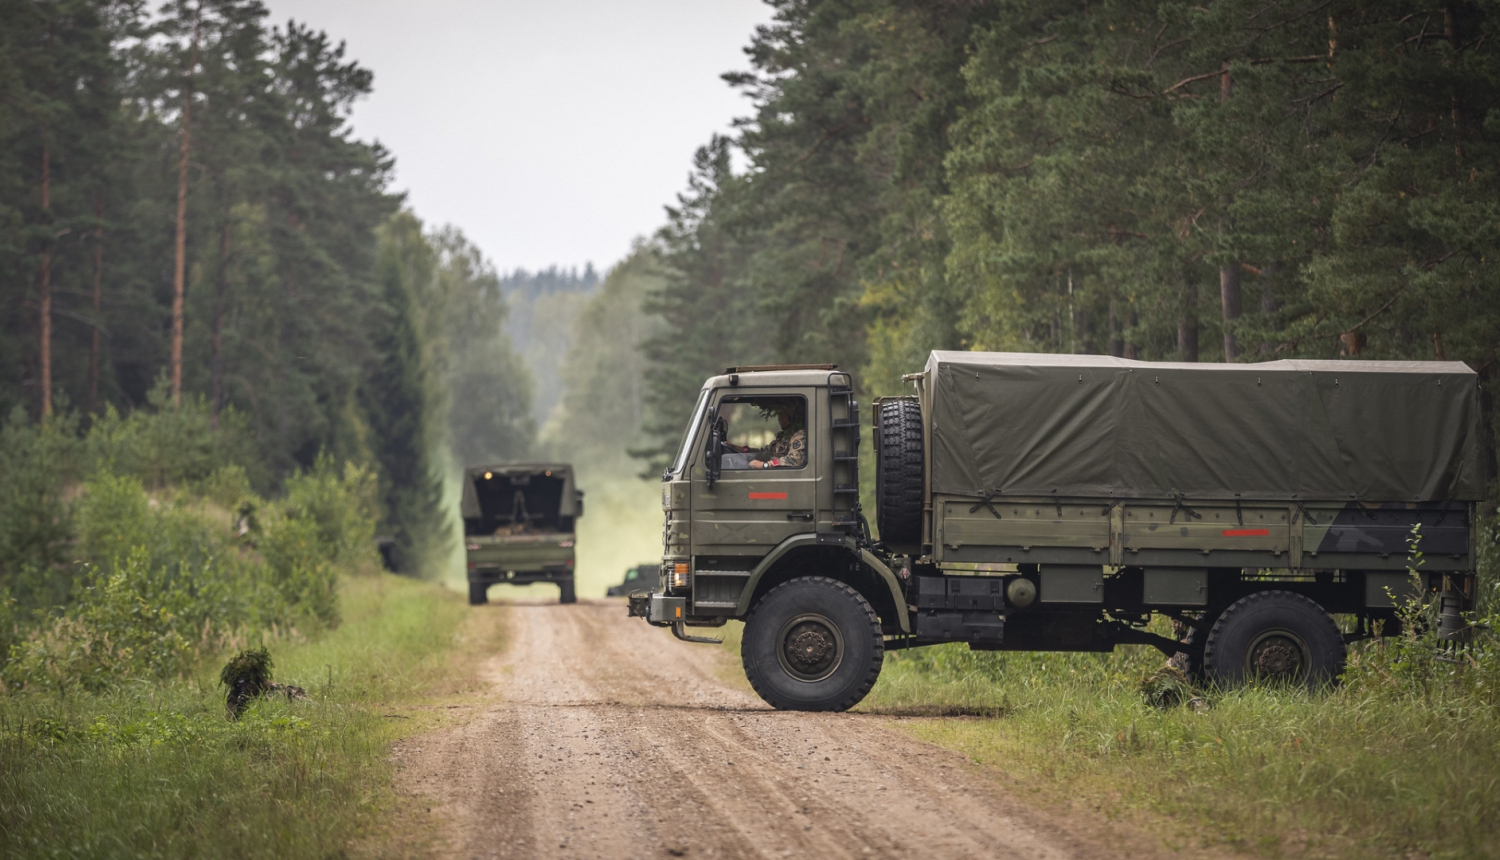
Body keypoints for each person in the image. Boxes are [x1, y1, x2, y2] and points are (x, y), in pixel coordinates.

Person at [749, 401, 806, 470]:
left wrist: (766, 465)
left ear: (791, 416)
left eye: (782, 415)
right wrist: (743, 450)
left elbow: (794, 460)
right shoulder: (782, 437)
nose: (779, 418)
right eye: (778, 415)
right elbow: (765, 453)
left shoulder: (800, 435)